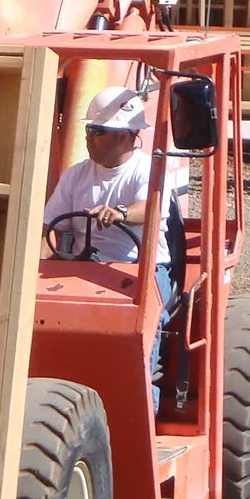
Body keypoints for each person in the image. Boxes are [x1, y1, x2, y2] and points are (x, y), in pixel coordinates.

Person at [42, 85, 187, 408]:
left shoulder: (148, 171)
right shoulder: (75, 176)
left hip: (142, 268)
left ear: (124, 136)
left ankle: (141, 406)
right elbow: (48, 231)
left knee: (137, 340)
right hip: (84, 270)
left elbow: (149, 208)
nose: (88, 137)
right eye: (89, 130)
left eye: (97, 130)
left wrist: (120, 213)